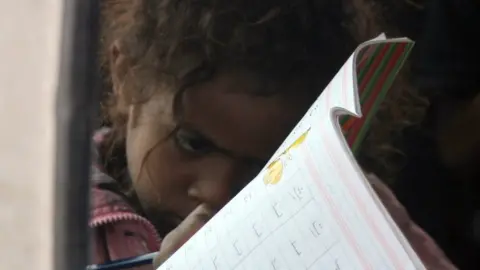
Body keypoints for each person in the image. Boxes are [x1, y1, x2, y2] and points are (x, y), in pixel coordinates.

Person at [91, 0, 457, 268]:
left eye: (267, 166)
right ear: (126, 77)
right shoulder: (50, 216)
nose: (217, 193)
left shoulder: (359, 221)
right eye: (193, 143)